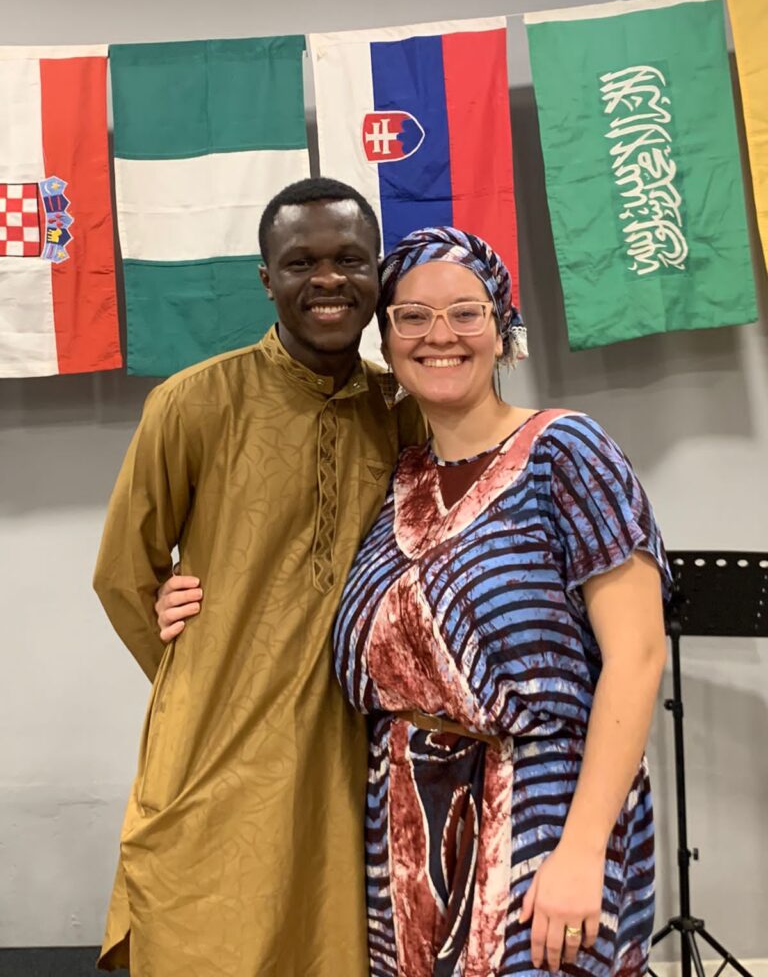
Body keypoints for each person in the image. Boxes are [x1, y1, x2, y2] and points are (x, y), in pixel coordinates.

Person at [92, 177, 422, 977]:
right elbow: (124, 574)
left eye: (350, 259)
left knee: (333, 940)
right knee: (209, 940)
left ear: (378, 274)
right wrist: (200, 665)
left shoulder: (404, 410)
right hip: (219, 742)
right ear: (267, 278)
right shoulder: (194, 403)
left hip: (349, 751)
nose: (328, 279)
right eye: (301, 262)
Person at [331, 227, 671, 977]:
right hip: (405, 833)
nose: (439, 335)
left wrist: (582, 849)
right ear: (386, 338)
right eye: (412, 316)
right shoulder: (396, 478)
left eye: (465, 312)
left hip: (545, 815)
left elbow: (639, 656)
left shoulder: (566, 451)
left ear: (501, 327)